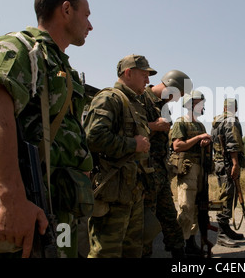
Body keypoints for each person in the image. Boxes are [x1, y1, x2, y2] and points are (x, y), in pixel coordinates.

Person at [0, 0, 93, 258]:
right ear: (66, 10)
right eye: (87, 15)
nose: (90, 25)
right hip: (27, 204)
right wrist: (11, 200)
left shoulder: (63, 66)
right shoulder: (18, 48)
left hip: (61, 204)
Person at [84, 54, 155, 258]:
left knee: (132, 252)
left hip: (133, 194)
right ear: (128, 73)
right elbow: (93, 138)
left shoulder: (136, 104)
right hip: (112, 194)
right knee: (106, 253)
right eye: (144, 74)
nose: (148, 80)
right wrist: (134, 144)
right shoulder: (109, 98)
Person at [140, 69, 192, 258]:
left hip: (160, 171)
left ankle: (180, 256)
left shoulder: (163, 106)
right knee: (147, 222)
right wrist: (153, 126)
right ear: (170, 86)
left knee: (170, 218)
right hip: (145, 172)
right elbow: (129, 129)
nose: (177, 99)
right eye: (177, 94)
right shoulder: (141, 99)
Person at [168, 90, 212, 257]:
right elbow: (177, 146)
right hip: (187, 170)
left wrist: (204, 141)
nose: (203, 106)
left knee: (197, 207)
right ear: (191, 104)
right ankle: (180, 244)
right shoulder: (180, 123)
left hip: (200, 169)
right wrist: (199, 137)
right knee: (186, 206)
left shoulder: (199, 125)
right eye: (200, 103)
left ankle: (190, 242)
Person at [211, 98, 245, 248]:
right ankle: (221, 233)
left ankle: (226, 229)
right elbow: (232, 144)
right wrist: (235, 164)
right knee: (226, 197)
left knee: (228, 195)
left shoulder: (218, 121)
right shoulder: (230, 121)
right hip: (227, 164)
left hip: (221, 163)